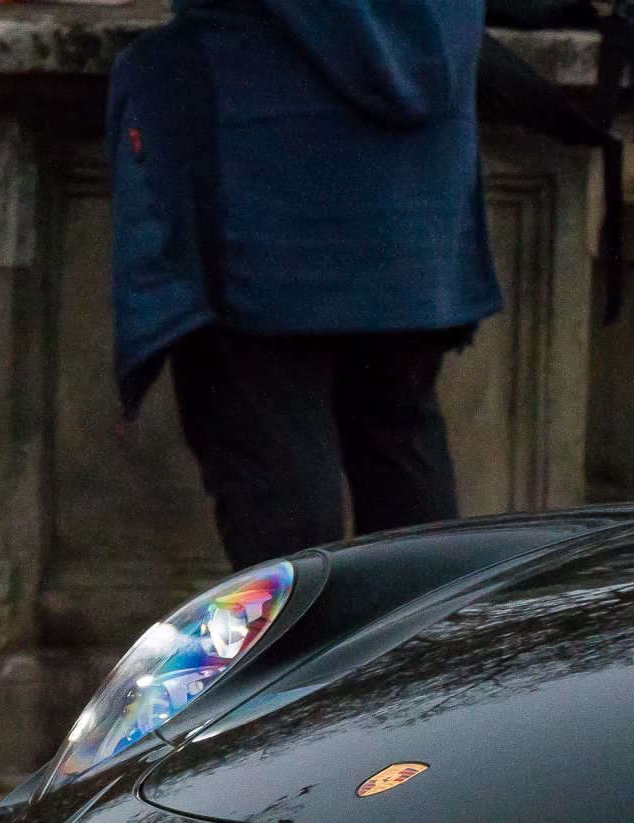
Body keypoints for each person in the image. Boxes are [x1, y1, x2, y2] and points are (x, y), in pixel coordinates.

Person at [108, 0, 501, 571]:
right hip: (412, 217)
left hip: (260, 204)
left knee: (285, 517)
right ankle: (414, 658)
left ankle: (306, 659)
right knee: (400, 459)